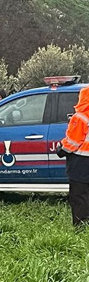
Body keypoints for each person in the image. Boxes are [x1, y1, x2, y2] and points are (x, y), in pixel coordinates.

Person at [57, 85, 89, 227]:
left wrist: (60, 149)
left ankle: (80, 225)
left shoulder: (80, 117)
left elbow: (72, 142)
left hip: (80, 162)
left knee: (79, 196)